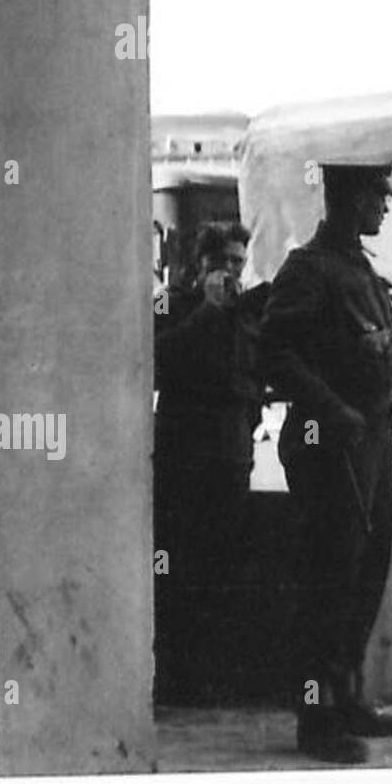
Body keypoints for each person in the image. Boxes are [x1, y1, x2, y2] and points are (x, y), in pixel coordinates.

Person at [258, 155, 392, 764]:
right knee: (326, 583)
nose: (385, 205)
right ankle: (315, 719)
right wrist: (334, 411)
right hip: (330, 448)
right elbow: (274, 353)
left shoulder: (359, 270)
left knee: (366, 573)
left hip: (373, 442)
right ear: (350, 199)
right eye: (378, 195)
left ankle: (348, 697)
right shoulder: (308, 269)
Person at [153, 220, 269, 703]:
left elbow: (257, 373)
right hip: (185, 453)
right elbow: (158, 361)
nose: (231, 272)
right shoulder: (170, 303)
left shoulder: (245, 311)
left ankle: (211, 676)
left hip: (230, 453)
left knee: (223, 563)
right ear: (200, 264)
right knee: (178, 566)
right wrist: (207, 309)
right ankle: (176, 677)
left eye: (239, 263)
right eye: (222, 262)